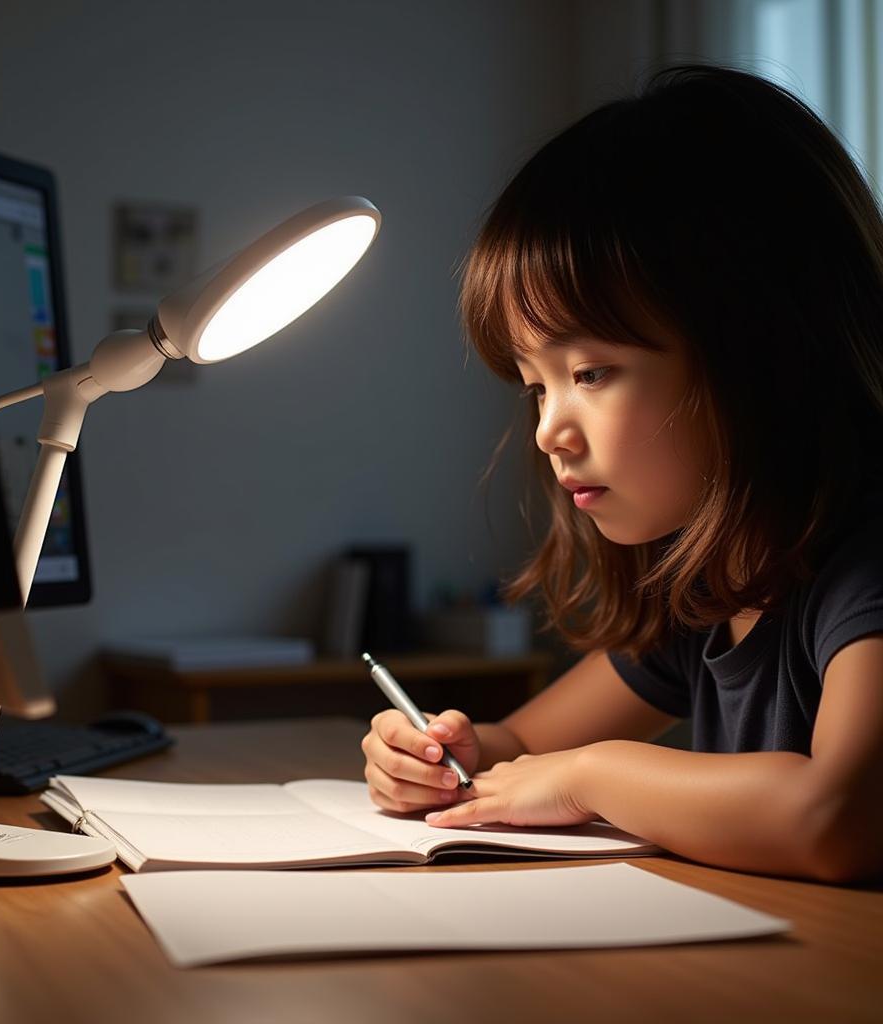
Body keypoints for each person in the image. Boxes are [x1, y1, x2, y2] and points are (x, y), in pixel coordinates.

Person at [360, 64, 883, 884]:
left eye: (592, 373)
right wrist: (446, 753)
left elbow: (840, 817)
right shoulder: (711, 593)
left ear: (763, 350)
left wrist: (589, 776)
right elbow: (526, 745)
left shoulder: (863, 567)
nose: (548, 431)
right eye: (535, 386)